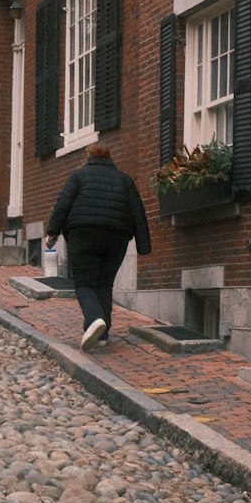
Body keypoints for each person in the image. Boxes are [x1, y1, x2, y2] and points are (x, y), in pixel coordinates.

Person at [46, 142, 151, 351]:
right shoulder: (124, 179)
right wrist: (143, 245)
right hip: (117, 238)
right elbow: (138, 212)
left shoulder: (78, 176)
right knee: (104, 284)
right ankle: (102, 336)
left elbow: (63, 204)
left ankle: (95, 319)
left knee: (84, 284)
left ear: (88, 156)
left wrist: (52, 232)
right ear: (110, 158)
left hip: (83, 234)